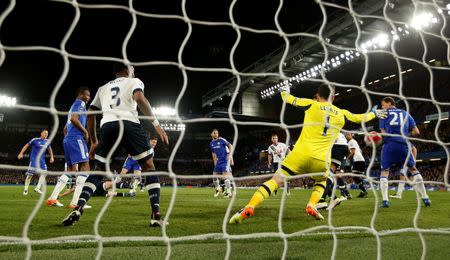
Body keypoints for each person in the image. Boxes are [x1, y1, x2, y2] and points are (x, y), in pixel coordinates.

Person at [229, 84, 386, 223]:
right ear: (333, 96)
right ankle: (311, 204)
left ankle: (250, 206)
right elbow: (360, 118)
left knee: (275, 180)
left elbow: (289, 99)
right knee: (322, 182)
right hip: (321, 159)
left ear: (318, 95)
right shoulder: (342, 113)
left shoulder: (311, 104)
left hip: (300, 154)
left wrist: (284, 91)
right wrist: (374, 114)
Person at [62, 64, 169, 227]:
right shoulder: (134, 81)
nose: (134, 72)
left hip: (108, 126)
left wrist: (93, 141)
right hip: (128, 124)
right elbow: (140, 98)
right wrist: (157, 124)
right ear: (127, 70)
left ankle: (78, 207)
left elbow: (91, 113)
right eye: (132, 69)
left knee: (99, 170)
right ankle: (156, 215)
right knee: (149, 166)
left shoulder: (103, 88)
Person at [378, 97, 430, 208]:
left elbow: (383, 133)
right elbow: (416, 132)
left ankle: (385, 201)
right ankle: (425, 198)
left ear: (389, 103)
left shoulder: (383, 114)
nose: (382, 107)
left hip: (389, 145)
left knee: (384, 171)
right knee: (413, 169)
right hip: (404, 144)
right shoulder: (405, 113)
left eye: (383, 104)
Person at [47, 87, 91, 208]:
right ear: (81, 94)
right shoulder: (80, 103)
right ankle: (76, 202)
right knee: (85, 166)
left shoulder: (72, 106)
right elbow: (74, 119)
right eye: (87, 95)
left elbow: (65, 128)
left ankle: (52, 198)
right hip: (76, 138)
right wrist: (85, 132)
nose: (89, 98)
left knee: (70, 170)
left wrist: (68, 139)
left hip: (68, 139)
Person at [17, 129, 54, 195]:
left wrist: (52, 157)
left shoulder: (47, 141)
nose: (46, 135)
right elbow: (26, 145)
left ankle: (37, 188)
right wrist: (21, 153)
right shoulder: (35, 140)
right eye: (45, 133)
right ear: (41, 133)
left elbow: (49, 149)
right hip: (34, 159)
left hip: (42, 160)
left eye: (47, 134)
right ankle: (25, 189)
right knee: (30, 175)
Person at [210, 129, 234, 198]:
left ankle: (229, 193)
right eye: (214, 133)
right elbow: (214, 153)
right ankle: (218, 189)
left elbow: (231, 146)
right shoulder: (211, 143)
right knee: (214, 177)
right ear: (211, 134)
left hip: (225, 161)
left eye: (217, 133)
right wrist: (215, 162)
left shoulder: (221, 140)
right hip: (218, 162)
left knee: (225, 177)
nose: (216, 134)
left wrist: (230, 155)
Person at [346, 132, 368, 198]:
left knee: (354, 176)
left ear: (351, 136)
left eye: (348, 134)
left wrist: (346, 158)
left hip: (358, 160)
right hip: (360, 160)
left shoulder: (351, 141)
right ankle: (363, 191)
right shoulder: (353, 142)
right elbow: (359, 151)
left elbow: (353, 152)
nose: (347, 136)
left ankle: (364, 190)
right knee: (356, 177)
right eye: (346, 135)